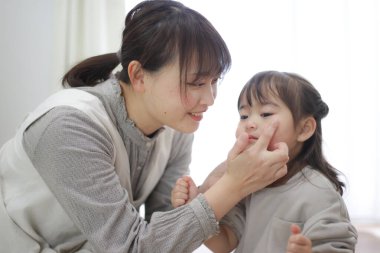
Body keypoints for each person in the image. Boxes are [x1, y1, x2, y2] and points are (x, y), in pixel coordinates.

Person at [0, 1, 289, 252]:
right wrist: (233, 186)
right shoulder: (69, 126)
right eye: (196, 83)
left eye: (214, 82)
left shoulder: (176, 130)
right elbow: (130, 247)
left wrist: (208, 188)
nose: (210, 99)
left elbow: (163, 233)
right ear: (138, 75)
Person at [171, 71, 358, 252]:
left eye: (266, 114)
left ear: (304, 129)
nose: (250, 123)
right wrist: (194, 205)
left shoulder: (319, 192)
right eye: (244, 115)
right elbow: (225, 243)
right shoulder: (249, 184)